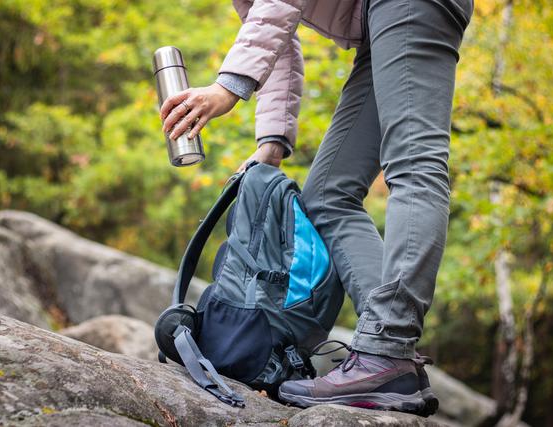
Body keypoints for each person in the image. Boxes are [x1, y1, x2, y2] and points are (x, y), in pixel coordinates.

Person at [159, 0, 473, 413]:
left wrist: (229, 86)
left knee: (414, 162)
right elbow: (279, 38)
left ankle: (386, 346)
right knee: (327, 196)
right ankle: (386, 357)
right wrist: (270, 143)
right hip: (381, 21)